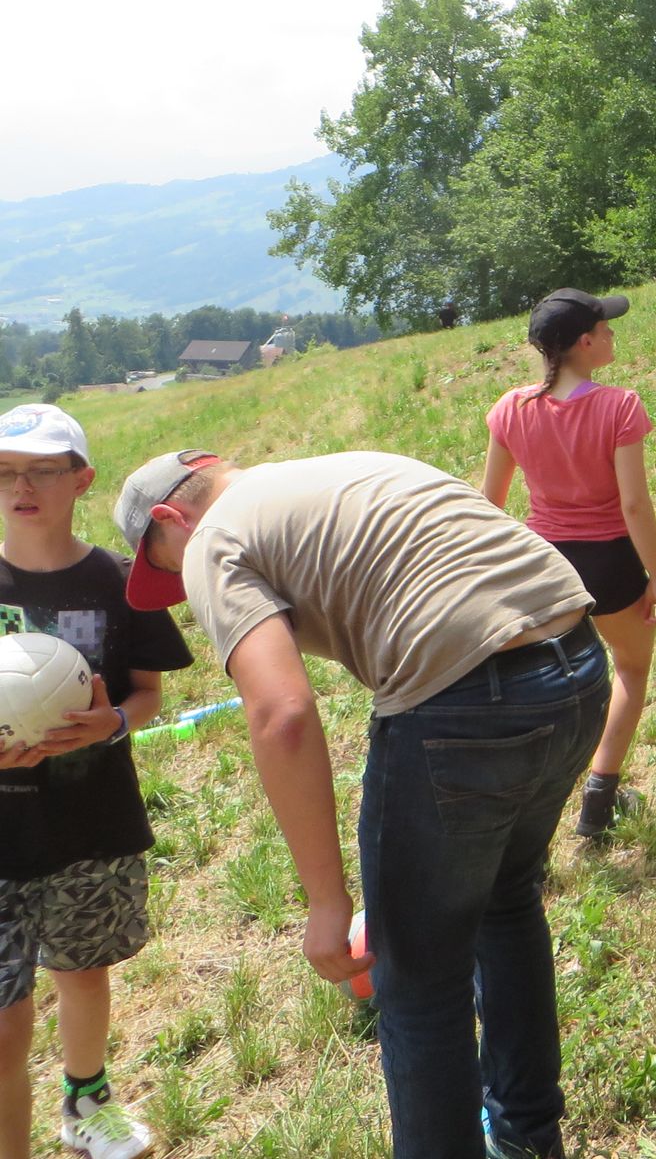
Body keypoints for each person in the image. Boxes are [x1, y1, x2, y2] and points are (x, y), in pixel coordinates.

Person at [114, 447, 606, 1159]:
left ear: (170, 517)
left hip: (465, 703)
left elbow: (281, 713)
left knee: (417, 981)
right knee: (505, 902)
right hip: (579, 665)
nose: (184, 589)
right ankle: (528, 1138)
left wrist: (325, 901)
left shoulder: (212, 537)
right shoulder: (345, 469)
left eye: (166, 565)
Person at [0, 405, 191, 1159]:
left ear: (81, 480)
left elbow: (147, 692)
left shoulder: (118, 580)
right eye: (5, 472)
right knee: (5, 1024)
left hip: (90, 823)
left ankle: (86, 1103)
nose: (22, 487)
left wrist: (109, 725)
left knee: (82, 971)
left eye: (43, 470)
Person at [482, 287, 656, 839]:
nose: (612, 334)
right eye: (605, 328)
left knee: (558, 685)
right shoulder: (620, 406)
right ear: (585, 342)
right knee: (630, 670)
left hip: (546, 567)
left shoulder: (510, 409)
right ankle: (599, 797)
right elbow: (634, 505)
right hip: (610, 564)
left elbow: (490, 503)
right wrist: (655, 577)